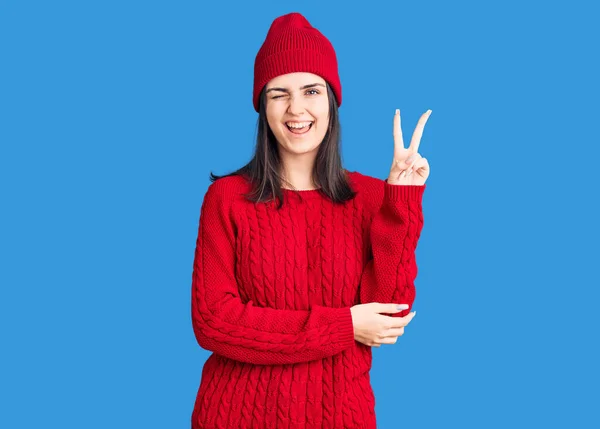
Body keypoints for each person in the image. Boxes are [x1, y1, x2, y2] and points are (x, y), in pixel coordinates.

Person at [190, 11, 431, 429]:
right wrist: (343, 325)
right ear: (262, 107)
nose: (296, 108)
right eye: (278, 93)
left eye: (311, 90)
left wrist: (402, 200)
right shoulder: (227, 199)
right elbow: (213, 321)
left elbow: (388, 317)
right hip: (235, 416)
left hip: (341, 416)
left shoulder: (372, 199)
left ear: (332, 100)